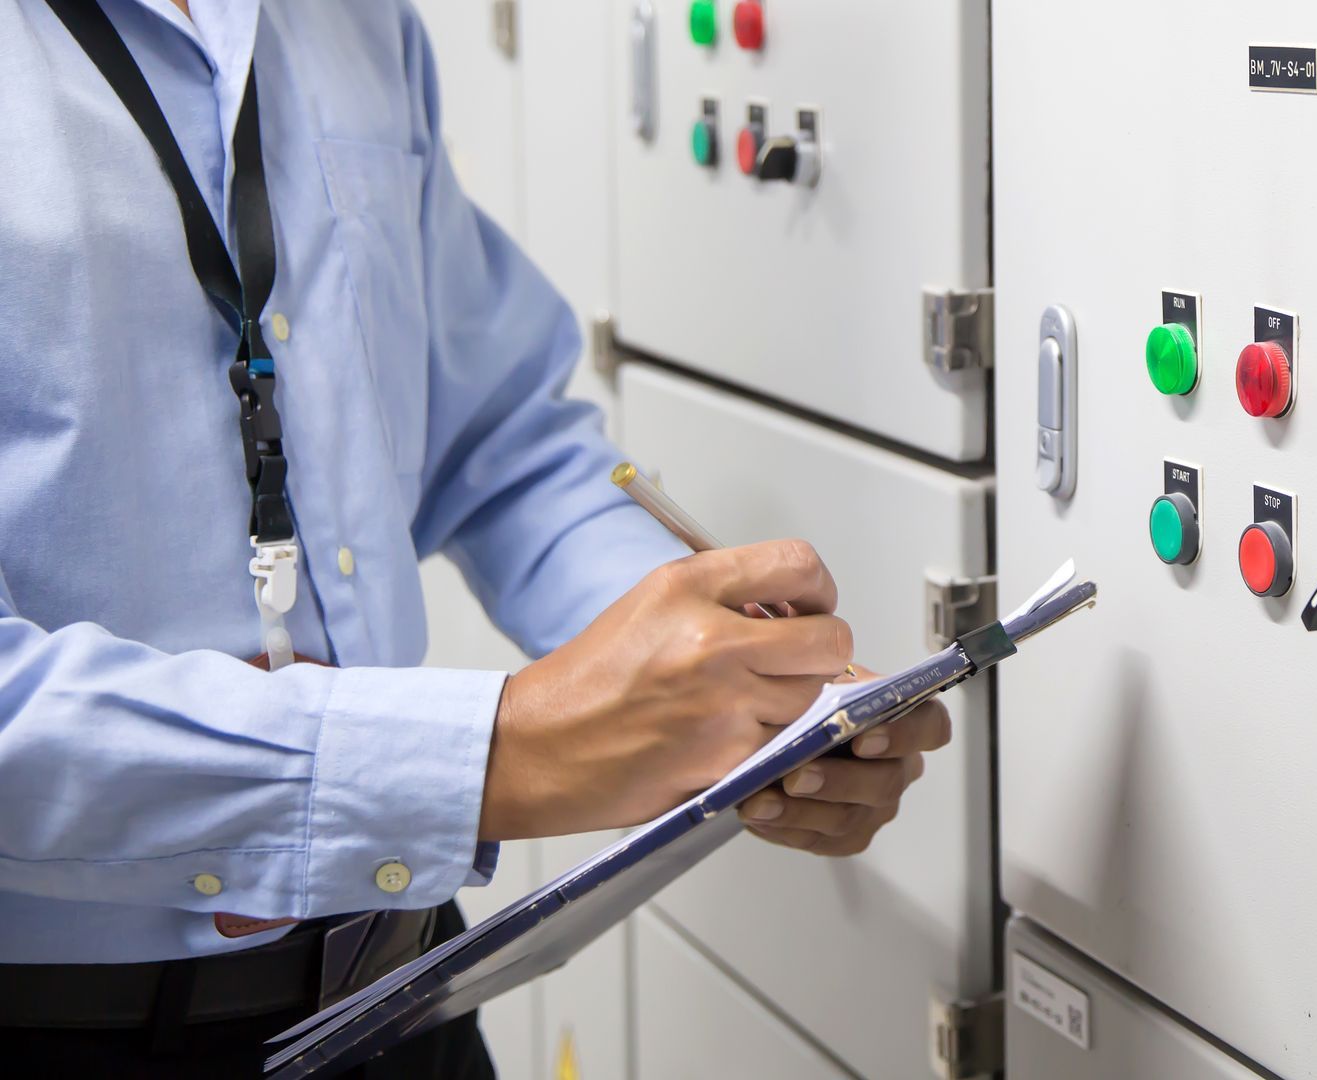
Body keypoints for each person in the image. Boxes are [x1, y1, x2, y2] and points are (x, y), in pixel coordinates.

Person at [0, 0, 952, 1074]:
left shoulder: (353, 25)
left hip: (402, 997)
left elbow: (496, 441)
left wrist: (730, 687)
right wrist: (500, 750)